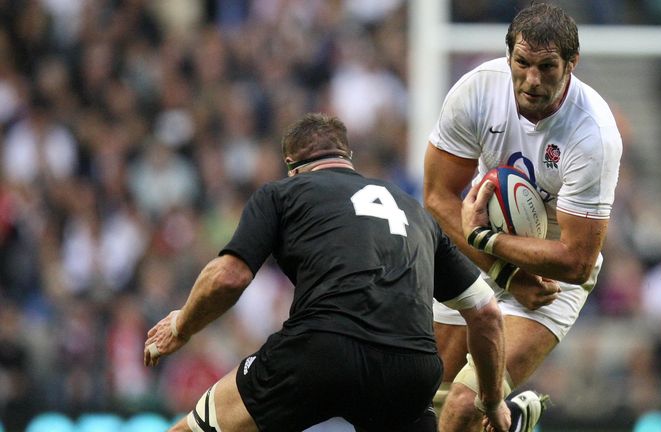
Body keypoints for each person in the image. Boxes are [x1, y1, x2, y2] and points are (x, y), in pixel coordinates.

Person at [143, 113, 512, 432]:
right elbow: (486, 313)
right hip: (410, 369)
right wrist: (493, 400)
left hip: (322, 350)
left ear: (291, 164)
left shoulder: (283, 193)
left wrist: (182, 326)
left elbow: (229, 276)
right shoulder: (414, 211)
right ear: (348, 157)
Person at [423, 3, 623, 432]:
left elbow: (577, 262)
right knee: (430, 404)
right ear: (509, 54)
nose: (532, 80)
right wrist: (501, 268)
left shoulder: (593, 135)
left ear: (572, 63)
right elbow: (437, 198)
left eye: (548, 67)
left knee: (463, 406)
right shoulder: (478, 90)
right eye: (523, 63)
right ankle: (512, 422)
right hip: (480, 250)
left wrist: (489, 243)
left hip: (552, 280)